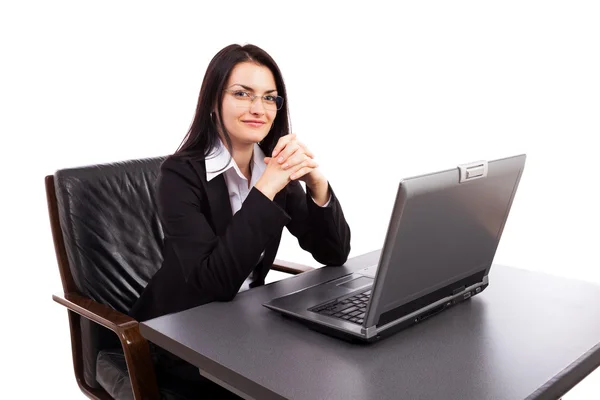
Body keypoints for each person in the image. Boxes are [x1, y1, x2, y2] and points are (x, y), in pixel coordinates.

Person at [129, 43, 351, 397]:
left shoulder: (270, 166)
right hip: (179, 329)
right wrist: (266, 188)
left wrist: (317, 184)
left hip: (244, 320)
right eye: (242, 94)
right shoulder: (180, 174)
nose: (257, 109)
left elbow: (333, 252)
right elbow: (214, 282)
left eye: (269, 98)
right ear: (214, 103)